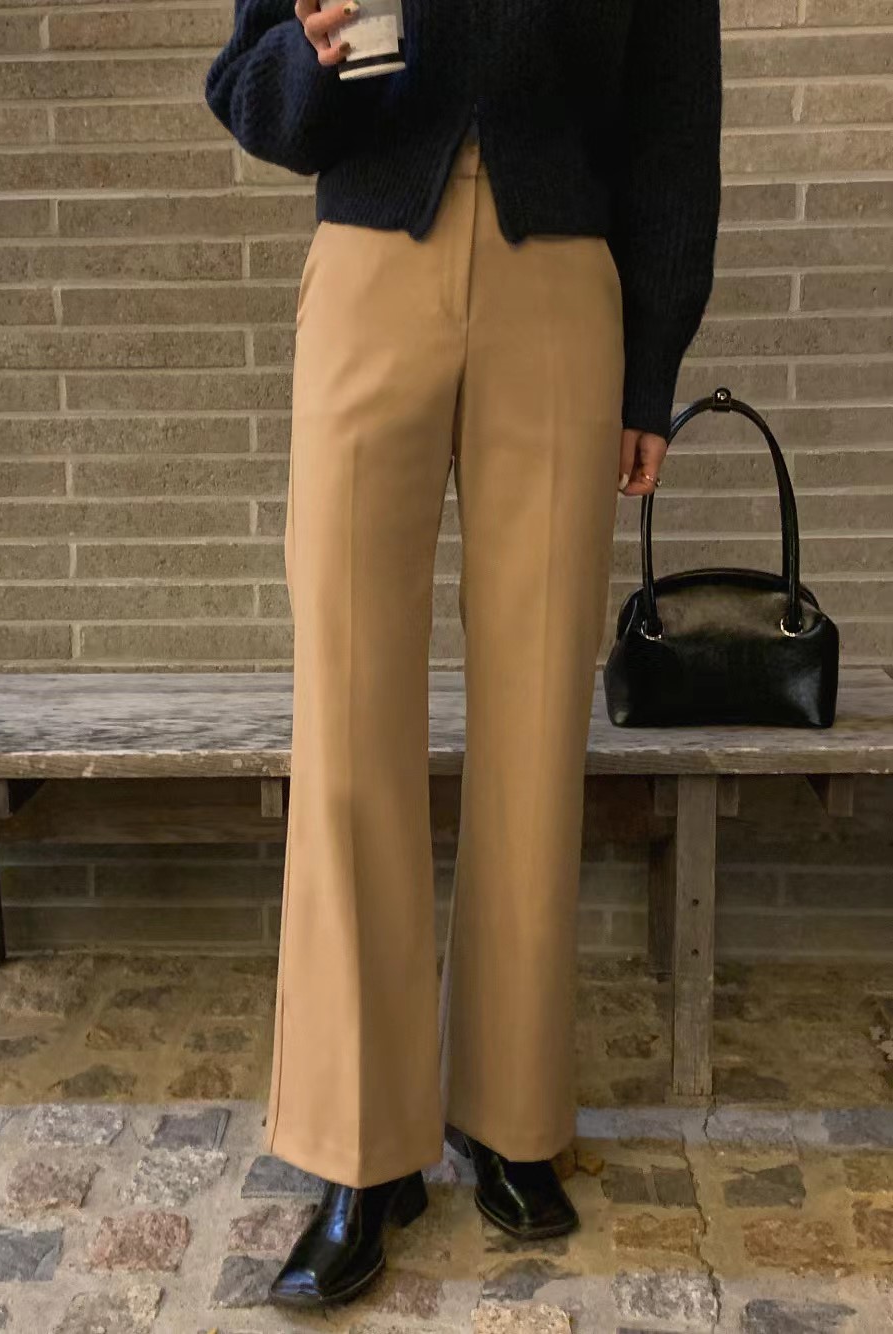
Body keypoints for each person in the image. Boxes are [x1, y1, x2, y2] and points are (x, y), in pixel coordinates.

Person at [205, 0, 722, 1310]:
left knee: (540, 718)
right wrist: (311, 58)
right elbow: (249, 90)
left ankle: (511, 1113)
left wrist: (652, 370)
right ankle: (358, 1149)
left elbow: (673, 124)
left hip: (562, 289)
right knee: (347, 717)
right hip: (370, 271)